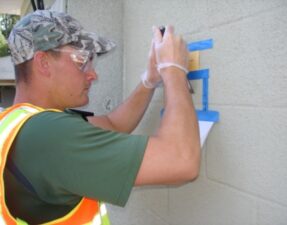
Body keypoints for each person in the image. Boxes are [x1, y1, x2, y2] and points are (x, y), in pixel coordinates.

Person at [0, 10, 200, 224]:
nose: (93, 74)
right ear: (44, 63)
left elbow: (115, 124)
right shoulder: (49, 135)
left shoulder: (15, 122)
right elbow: (181, 160)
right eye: (82, 60)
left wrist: (149, 80)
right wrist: (174, 70)